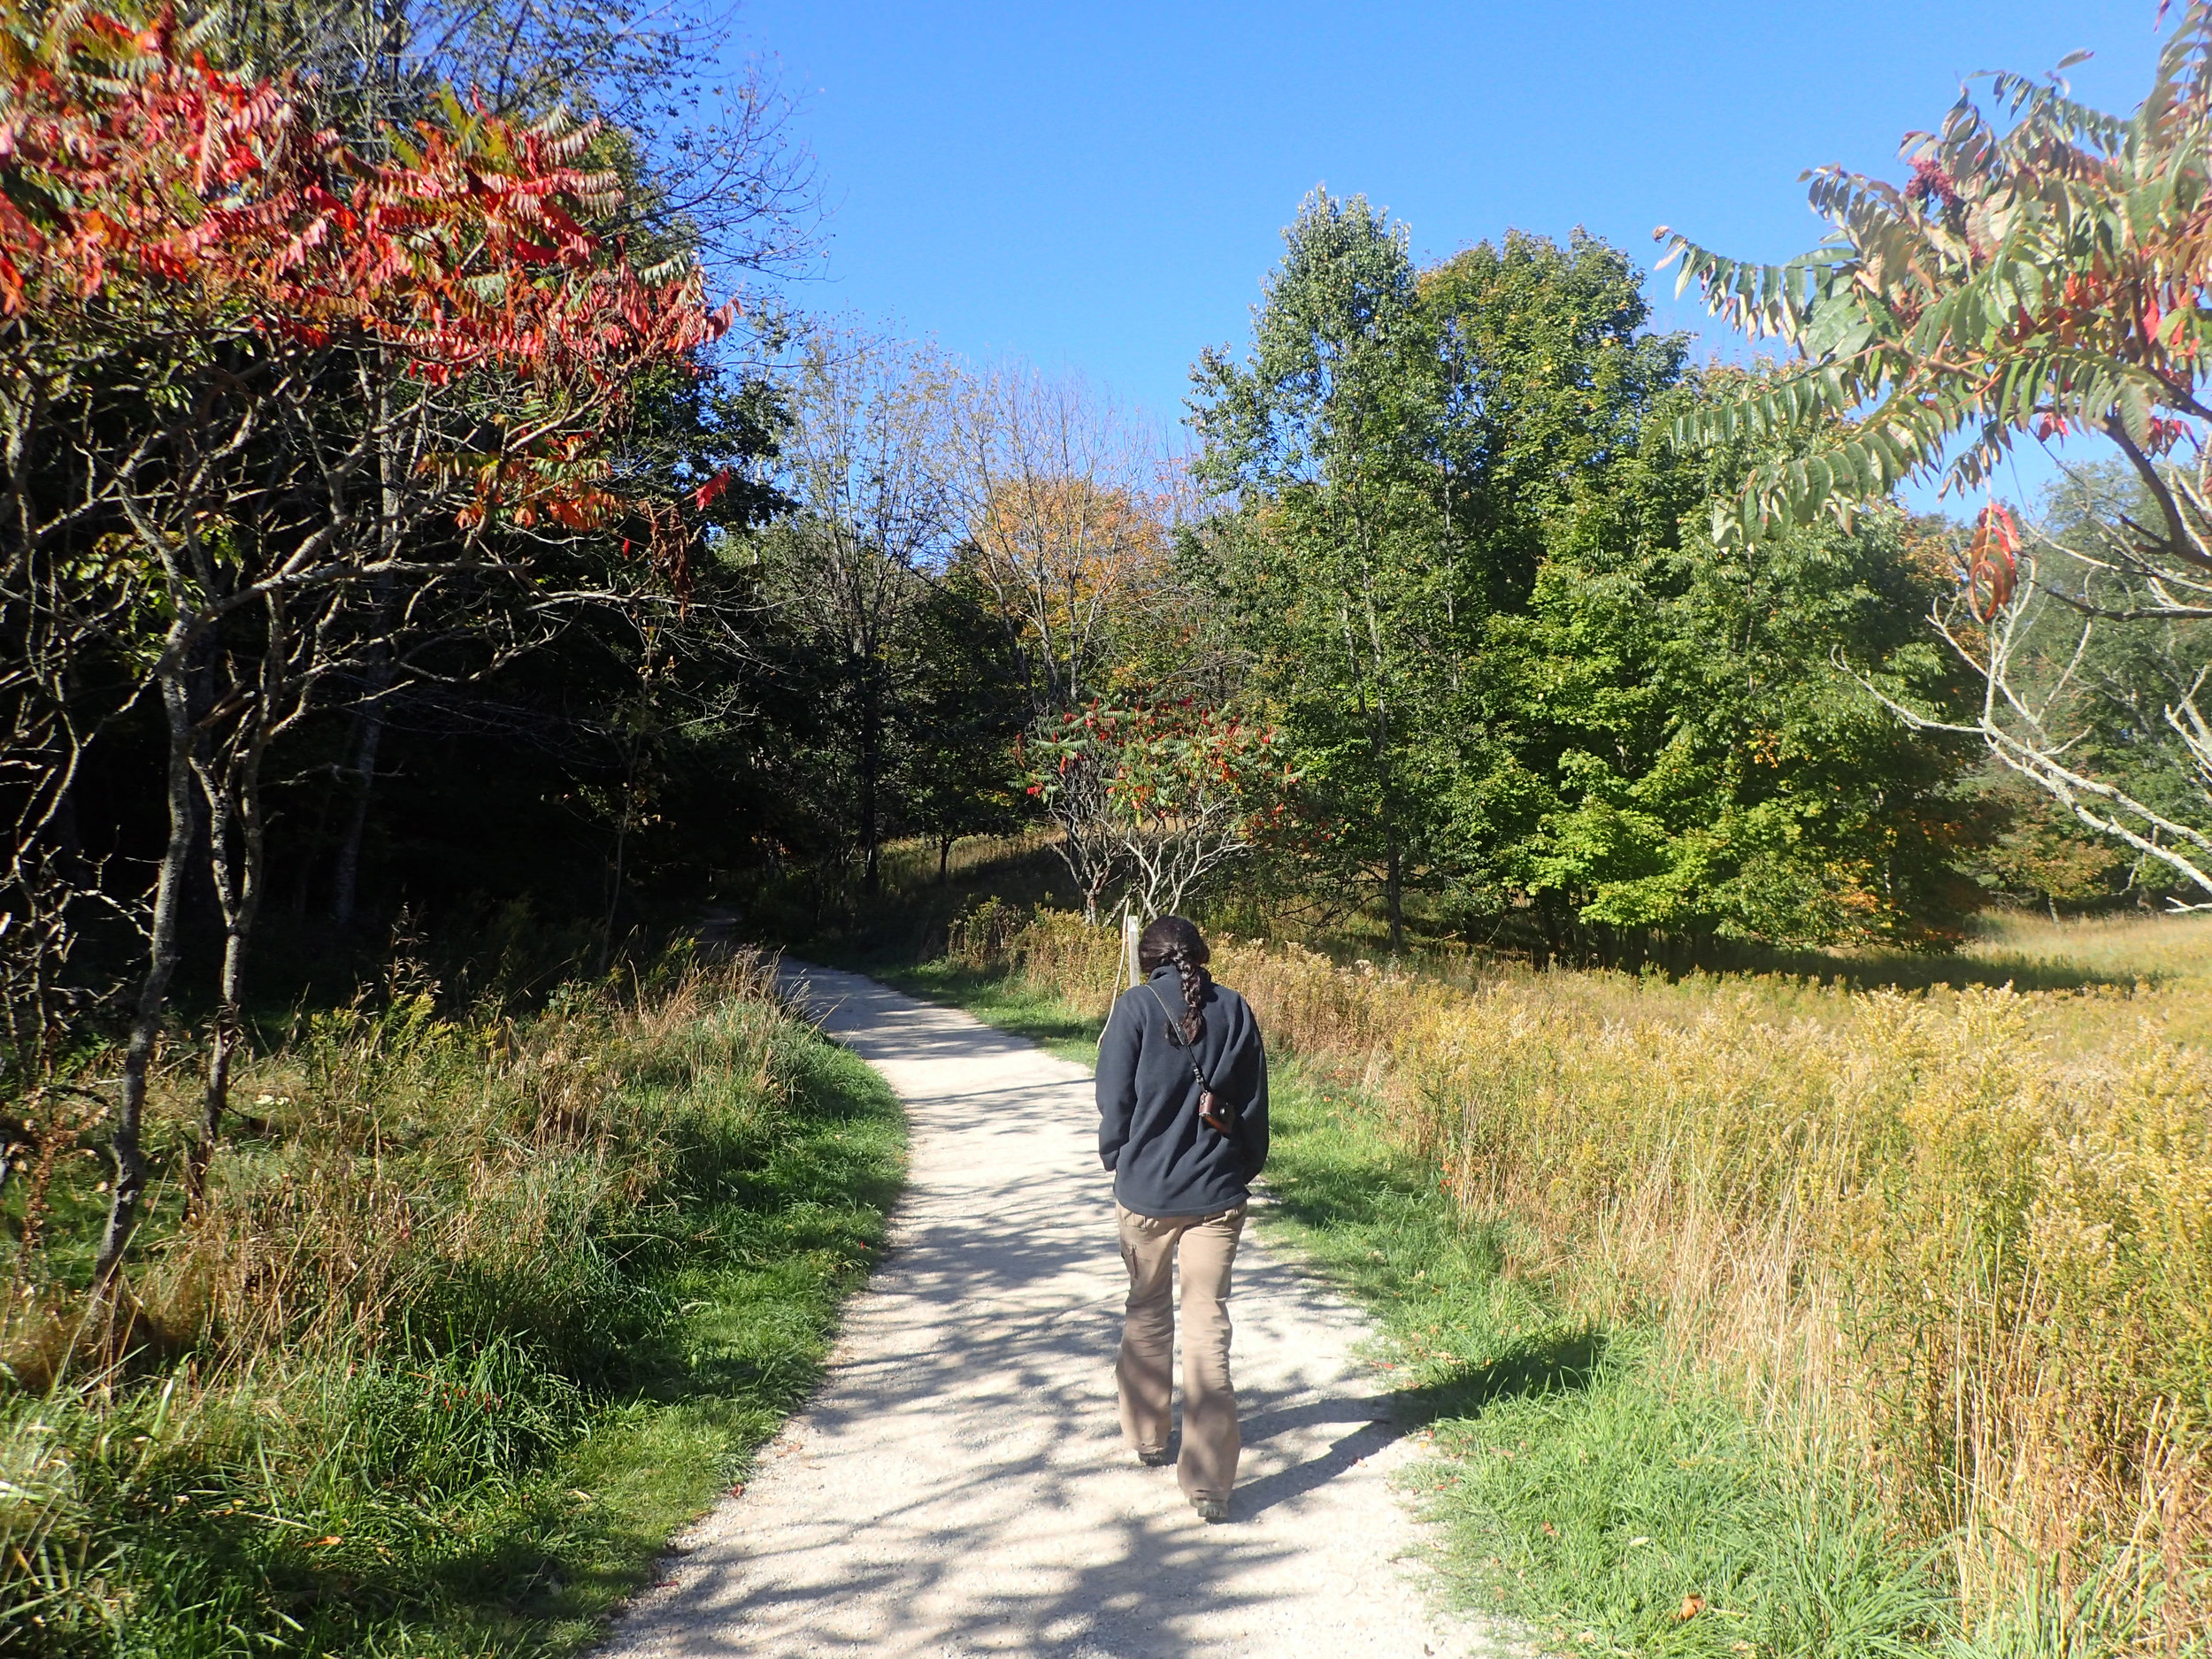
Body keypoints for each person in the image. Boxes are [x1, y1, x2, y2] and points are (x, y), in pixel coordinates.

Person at [1094, 915, 1270, 1523]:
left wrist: (1119, 1156)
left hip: (1145, 1195)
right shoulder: (1237, 1008)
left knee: (1146, 1309)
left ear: (1150, 960)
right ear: (1202, 954)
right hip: (1217, 1196)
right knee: (1208, 1330)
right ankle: (1210, 1484)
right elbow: (1252, 1104)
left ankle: (1147, 1435)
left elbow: (1114, 1101)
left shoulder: (1135, 1007)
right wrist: (1240, 1168)